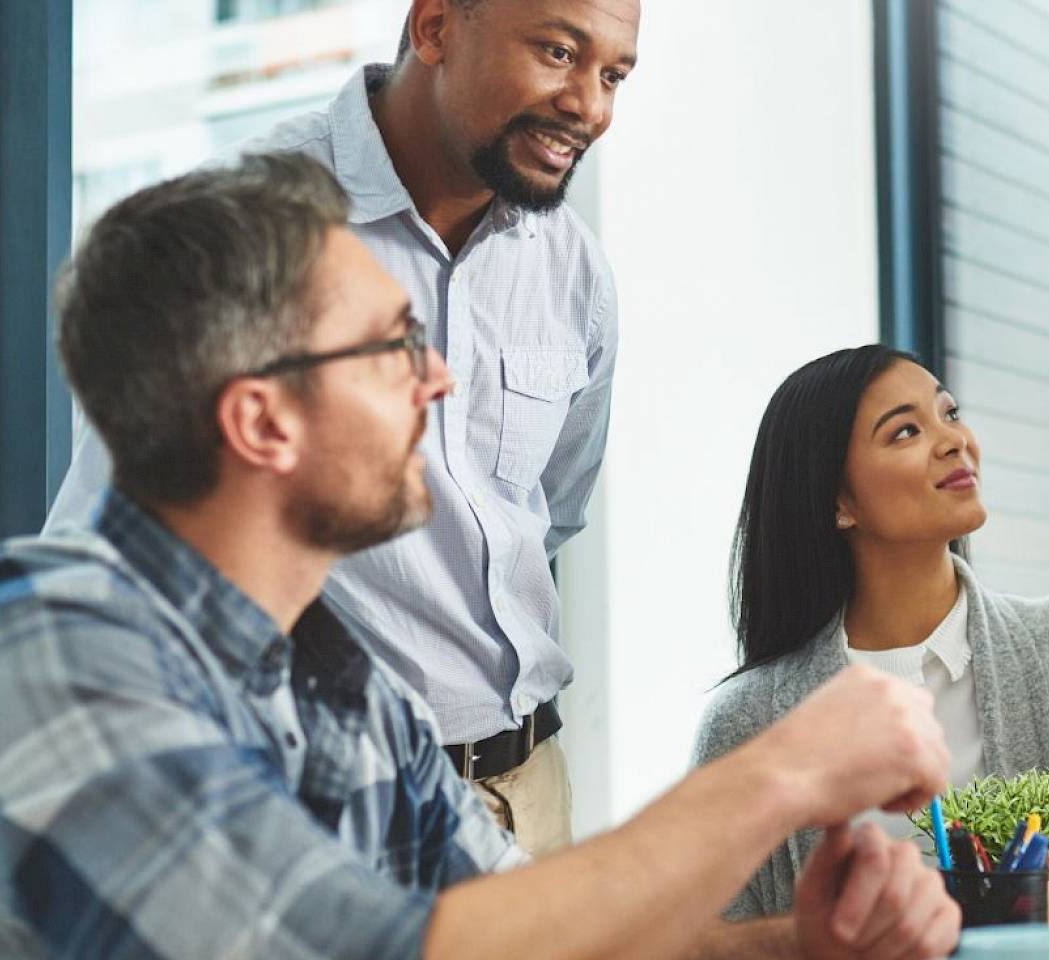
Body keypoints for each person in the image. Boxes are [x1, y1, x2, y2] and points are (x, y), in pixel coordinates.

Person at [0, 154, 960, 960]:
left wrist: (796, 944)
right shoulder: (38, 649)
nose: (439, 381)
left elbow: (518, 926)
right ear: (262, 423)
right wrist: (776, 775)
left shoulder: (341, 679)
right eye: (396, 345)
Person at [45, 0, 640, 856]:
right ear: (435, 28)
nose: (591, 105)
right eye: (558, 52)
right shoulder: (249, 223)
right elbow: (117, 538)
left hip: (531, 784)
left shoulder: (573, 267)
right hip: (322, 800)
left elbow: (553, 513)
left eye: (614, 75)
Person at [693, 345, 1049, 935]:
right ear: (840, 502)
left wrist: (968, 927)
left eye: (949, 413)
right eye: (904, 431)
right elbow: (716, 936)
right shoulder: (746, 721)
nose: (954, 440)